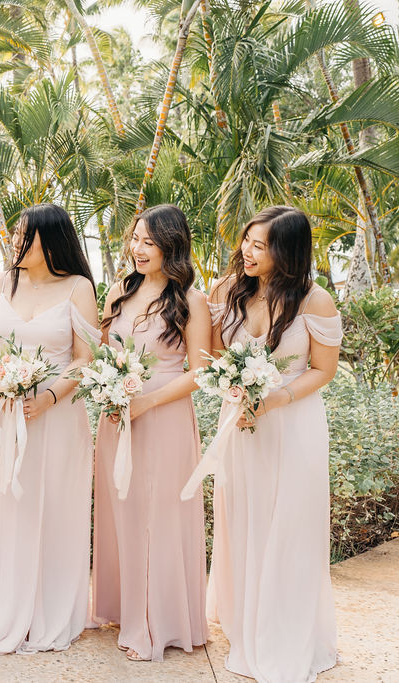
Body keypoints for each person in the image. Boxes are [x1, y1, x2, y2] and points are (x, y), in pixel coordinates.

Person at [203, 206, 341, 682]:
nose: (247, 251)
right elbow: (215, 355)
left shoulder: (315, 300)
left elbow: (324, 369)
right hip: (241, 420)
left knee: (289, 522)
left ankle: (286, 628)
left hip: (294, 424)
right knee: (243, 514)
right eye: (247, 241)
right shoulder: (228, 292)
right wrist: (236, 389)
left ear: (288, 251)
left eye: (261, 246)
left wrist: (276, 396)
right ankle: (245, 616)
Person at [0, 203, 99, 654]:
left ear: (50, 240)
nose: (15, 241)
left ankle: (50, 608)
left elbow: (85, 360)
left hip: (57, 414)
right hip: (3, 412)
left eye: (25, 234)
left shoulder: (78, 287)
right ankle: (4, 605)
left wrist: (46, 397)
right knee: (5, 504)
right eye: (14, 233)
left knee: (54, 506)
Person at [91, 204, 210, 661]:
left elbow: (200, 372)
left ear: (171, 245)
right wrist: (111, 391)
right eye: (134, 239)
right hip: (117, 414)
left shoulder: (190, 301)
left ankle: (160, 622)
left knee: (160, 514)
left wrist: (147, 401)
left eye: (148, 241)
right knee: (123, 509)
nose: (138, 249)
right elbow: (104, 353)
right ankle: (127, 608)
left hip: (164, 416)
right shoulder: (119, 291)